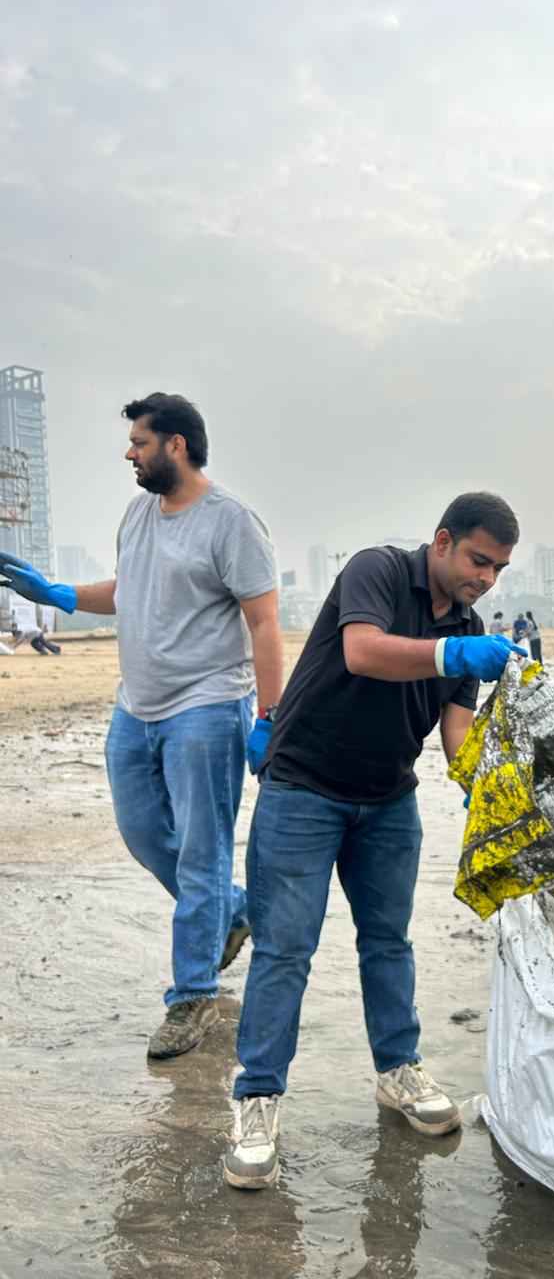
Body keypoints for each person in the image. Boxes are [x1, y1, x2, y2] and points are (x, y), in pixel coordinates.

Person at [224, 492, 522, 1191]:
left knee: (389, 941)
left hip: (389, 799)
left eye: (501, 568)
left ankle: (398, 1070)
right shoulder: (378, 572)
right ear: (443, 542)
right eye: (479, 560)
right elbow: (362, 653)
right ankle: (257, 1099)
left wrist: (493, 791)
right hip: (304, 788)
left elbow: (454, 736)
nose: (486, 578)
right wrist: (451, 650)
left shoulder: (472, 625)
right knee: (286, 948)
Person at [0, 393, 282, 1061]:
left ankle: (191, 996)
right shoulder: (139, 514)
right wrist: (59, 594)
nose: (130, 452)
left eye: (139, 442)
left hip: (208, 707)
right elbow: (129, 592)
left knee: (201, 850)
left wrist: (269, 718)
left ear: (176, 445)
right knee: (141, 831)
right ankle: (234, 910)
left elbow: (265, 622)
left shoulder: (231, 523)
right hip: (137, 708)